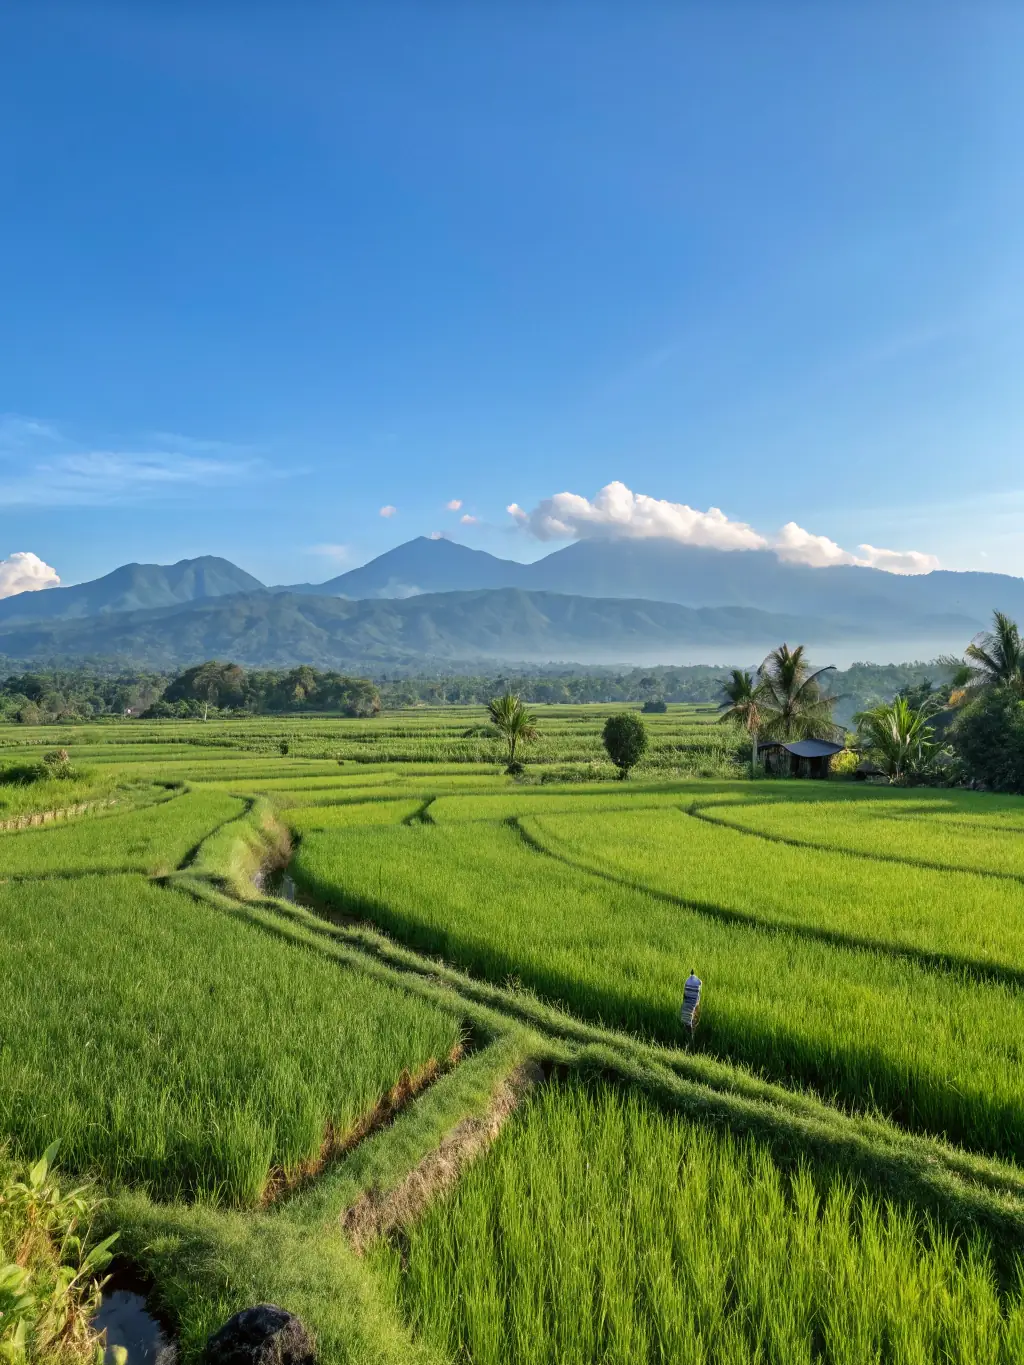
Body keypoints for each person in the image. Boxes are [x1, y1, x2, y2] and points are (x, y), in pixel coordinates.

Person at [681, 969, 702, 1034]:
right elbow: (699, 992)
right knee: (693, 1016)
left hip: (687, 1001)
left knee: (687, 1017)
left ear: (690, 974)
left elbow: (684, 994)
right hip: (694, 1001)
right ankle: (691, 1033)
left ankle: (689, 1032)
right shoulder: (698, 981)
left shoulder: (687, 981)